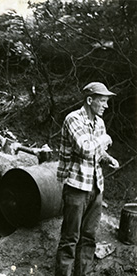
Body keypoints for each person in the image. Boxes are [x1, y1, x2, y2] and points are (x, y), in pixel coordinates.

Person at [55, 82, 120, 276]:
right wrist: (104, 139)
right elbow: (85, 148)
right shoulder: (73, 119)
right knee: (70, 239)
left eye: (107, 102)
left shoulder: (99, 122)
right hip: (76, 186)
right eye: (102, 101)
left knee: (89, 237)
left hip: (96, 186)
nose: (106, 106)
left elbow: (97, 152)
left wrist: (108, 158)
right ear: (90, 100)